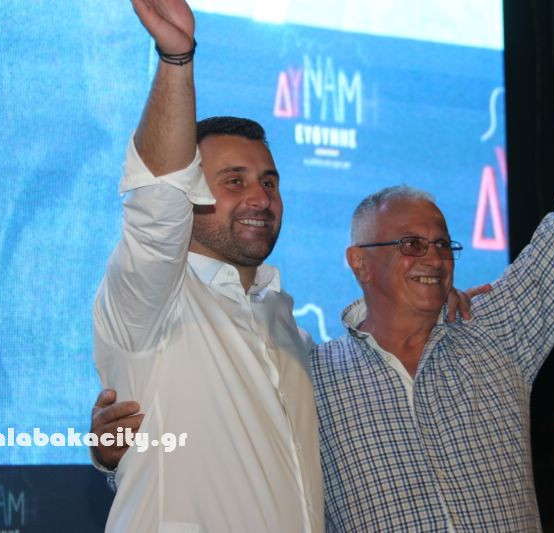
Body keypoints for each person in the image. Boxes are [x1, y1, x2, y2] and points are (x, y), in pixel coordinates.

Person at [95, 0, 554, 529]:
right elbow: (156, 207)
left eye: (442, 244)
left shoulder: (302, 341)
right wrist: (176, 60)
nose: (432, 257)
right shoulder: (320, 372)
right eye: (409, 245)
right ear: (358, 263)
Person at [92, 1, 474, 531]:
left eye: (268, 182)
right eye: (234, 181)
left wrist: (428, 296)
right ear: (192, 195)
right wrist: (176, 60)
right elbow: (156, 201)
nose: (260, 196)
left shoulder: (290, 332)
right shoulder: (150, 299)